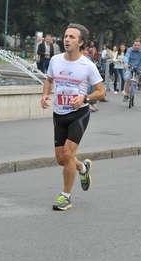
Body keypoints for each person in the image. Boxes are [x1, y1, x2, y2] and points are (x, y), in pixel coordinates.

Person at [40, 23, 105, 211]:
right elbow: (50, 80)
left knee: (68, 154)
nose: (67, 40)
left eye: (72, 37)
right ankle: (83, 168)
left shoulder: (88, 66)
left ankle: (65, 196)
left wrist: (85, 97)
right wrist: (45, 94)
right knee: (61, 160)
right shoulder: (55, 60)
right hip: (59, 113)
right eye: (66, 36)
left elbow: (101, 92)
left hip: (79, 114)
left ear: (81, 42)